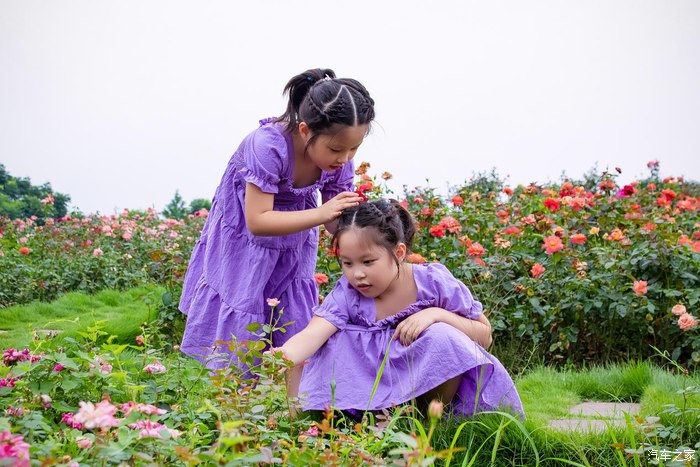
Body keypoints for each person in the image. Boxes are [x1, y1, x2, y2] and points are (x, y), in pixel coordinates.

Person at [179, 68, 376, 398]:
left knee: (295, 322)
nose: (344, 159)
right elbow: (258, 220)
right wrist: (322, 213)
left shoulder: (338, 160)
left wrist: (365, 231)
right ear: (305, 130)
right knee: (243, 316)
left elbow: (331, 222)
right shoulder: (268, 145)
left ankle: (295, 411)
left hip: (295, 240)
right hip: (245, 242)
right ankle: (232, 408)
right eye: (336, 149)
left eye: (353, 149)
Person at [271, 200, 524, 417]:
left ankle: (435, 423)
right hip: (367, 393)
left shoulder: (432, 283)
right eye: (347, 263)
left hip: (426, 393)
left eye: (368, 261)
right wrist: (280, 358)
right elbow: (312, 334)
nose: (357, 274)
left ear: (399, 252)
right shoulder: (348, 293)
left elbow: (485, 336)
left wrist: (436, 315)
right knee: (326, 342)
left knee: (443, 336)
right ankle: (315, 421)